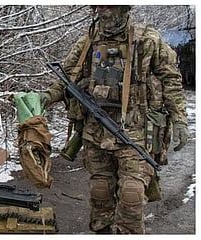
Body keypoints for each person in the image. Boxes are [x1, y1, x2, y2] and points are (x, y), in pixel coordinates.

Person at [38, 5, 188, 234]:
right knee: (100, 191)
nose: (103, 12)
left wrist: (179, 118)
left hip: (136, 131)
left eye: (109, 6)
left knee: (131, 194)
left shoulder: (147, 39)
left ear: (123, 8)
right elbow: (67, 77)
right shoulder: (89, 40)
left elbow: (171, 79)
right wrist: (46, 97)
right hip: (96, 130)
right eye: (99, 7)